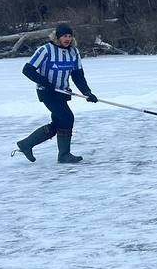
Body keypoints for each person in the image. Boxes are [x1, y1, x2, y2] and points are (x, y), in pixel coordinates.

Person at [14, 22, 98, 164]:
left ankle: (26, 144)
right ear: (57, 37)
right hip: (47, 92)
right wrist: (45, 82)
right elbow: (27, 69)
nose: (68, 39)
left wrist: (87, 92)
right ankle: (64, 155)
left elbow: (77, 75)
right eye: (65, 36)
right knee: (67, 118)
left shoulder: (73, 52)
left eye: (70, 36)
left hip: (63, 92)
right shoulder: (45, 50)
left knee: (59, 122)